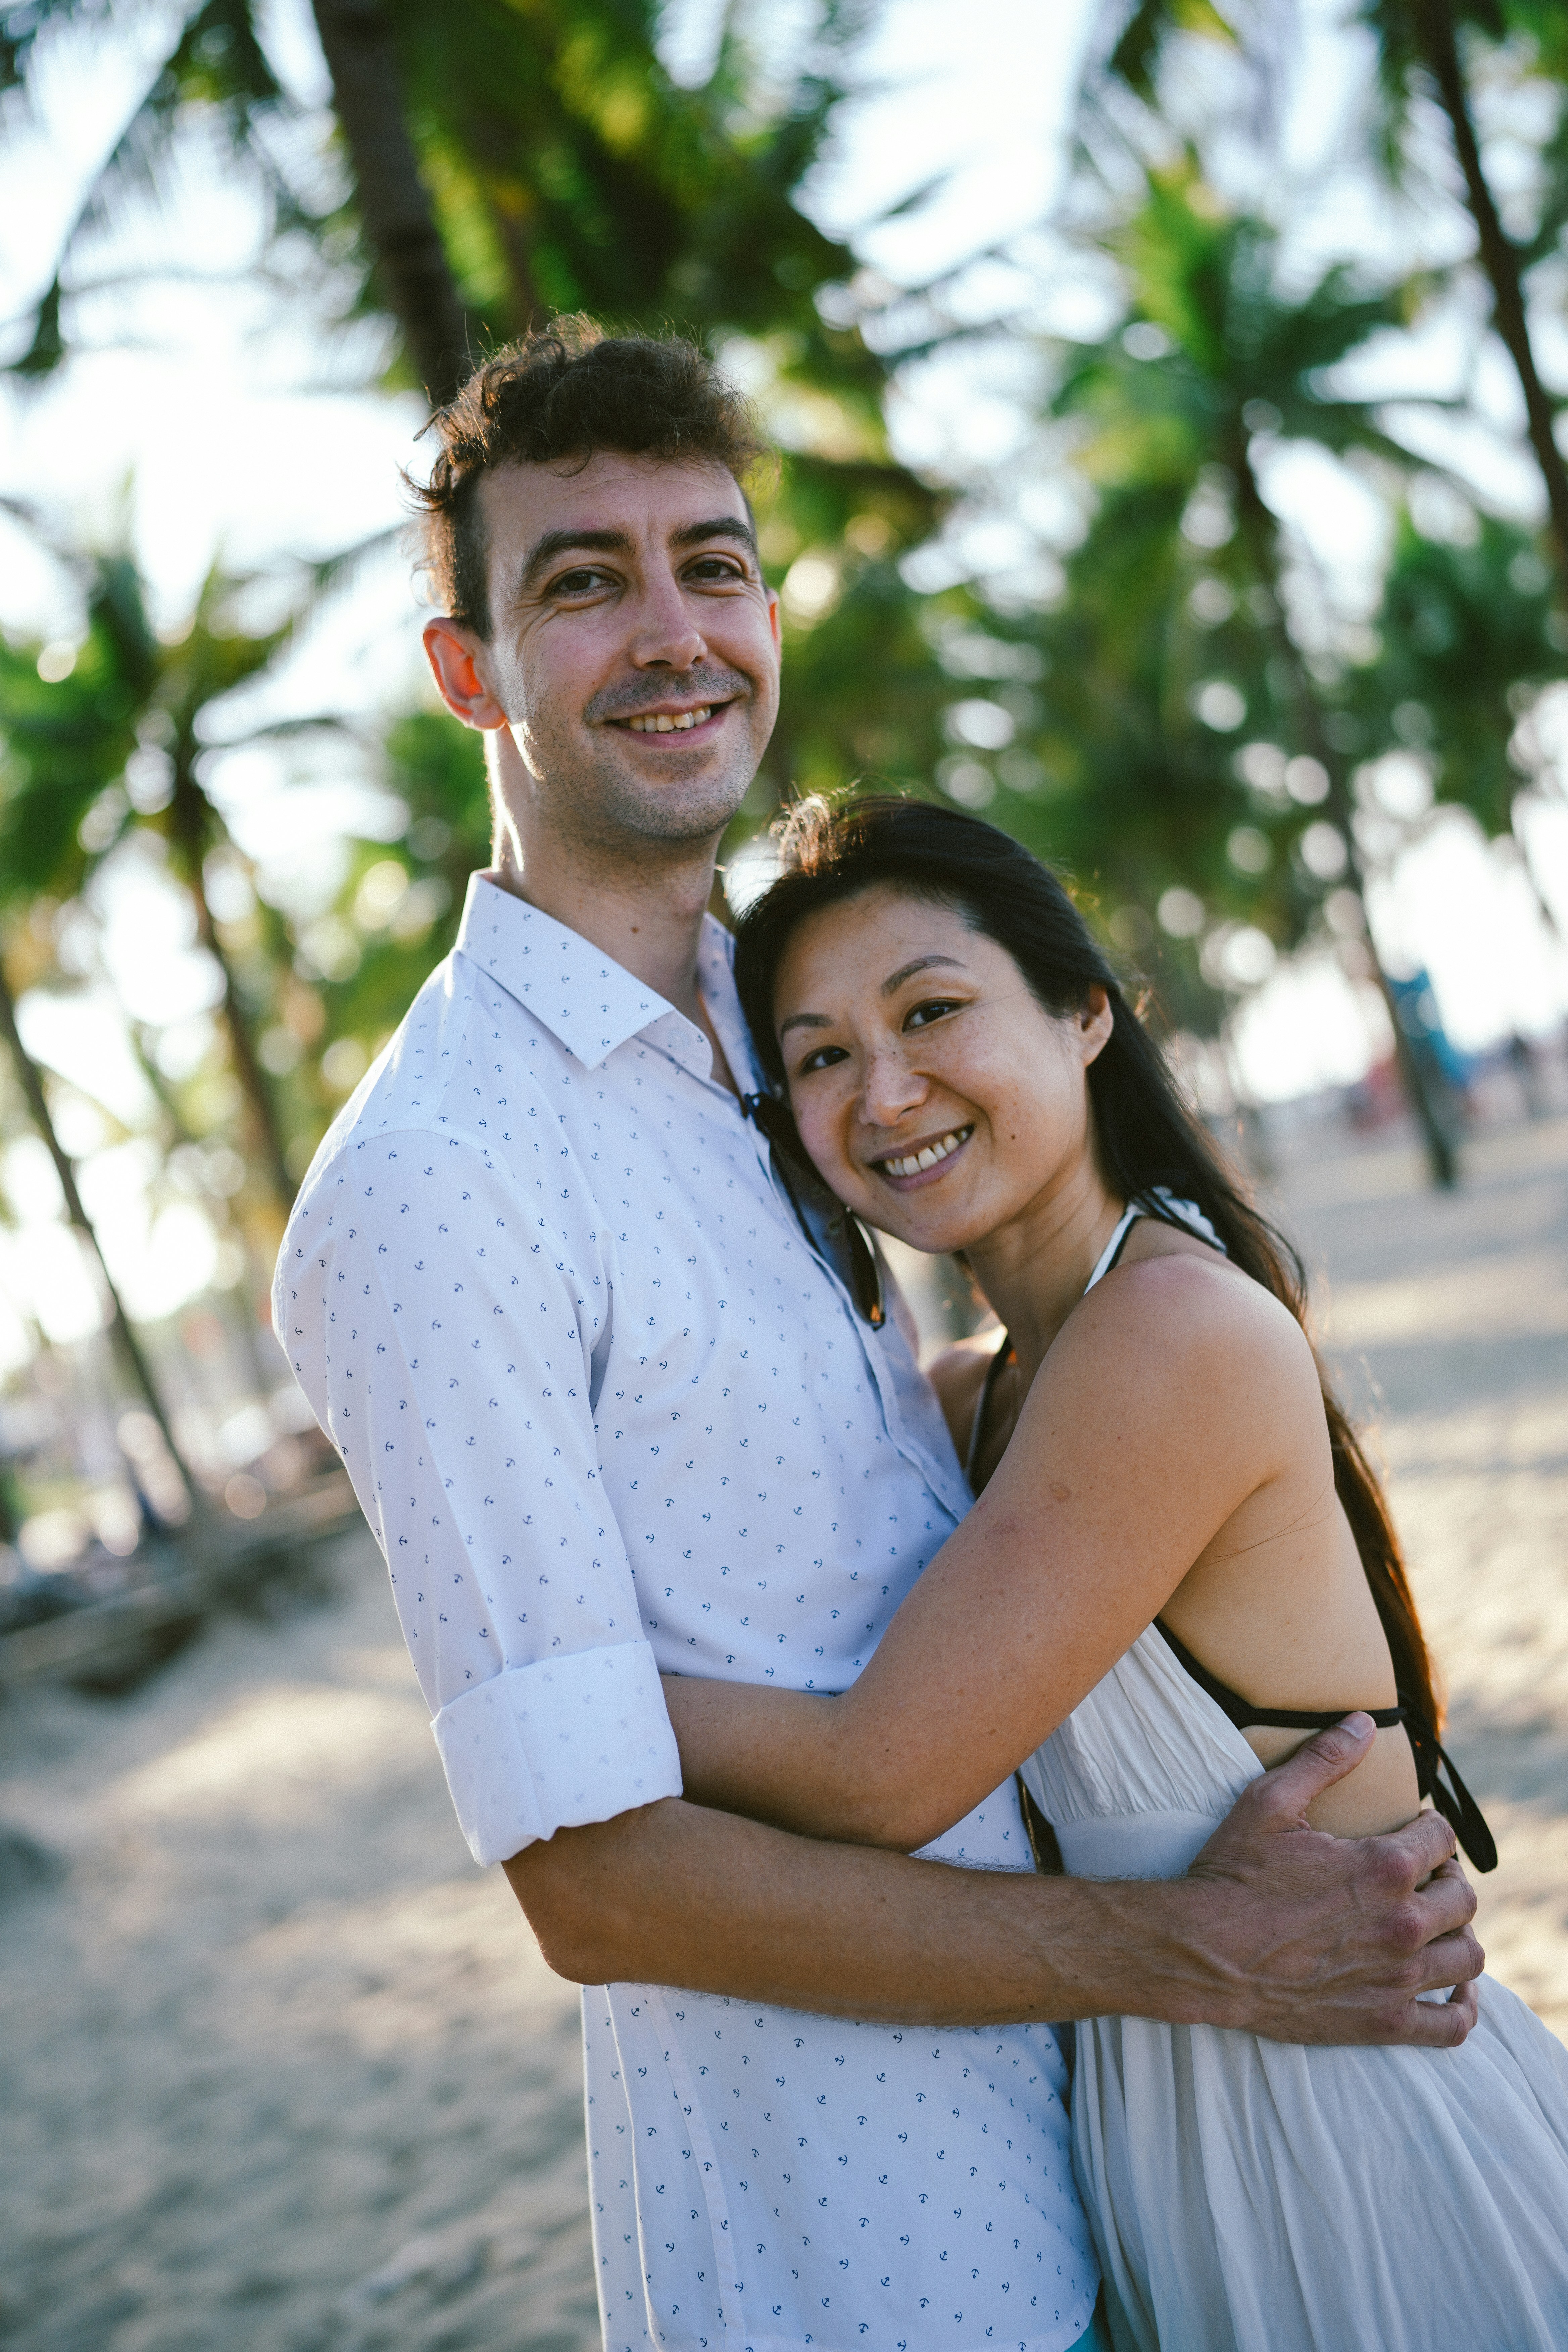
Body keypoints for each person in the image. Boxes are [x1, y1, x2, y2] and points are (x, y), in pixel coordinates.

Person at [275, 319, 1483, 2352]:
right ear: (470, 672)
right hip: (864, 2243)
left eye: (716, 563)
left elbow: (845, 1487)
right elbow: (599, 1888)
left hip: (1124, 2155)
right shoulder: (436, 1179)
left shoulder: (791, 1047)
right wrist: (1193, 1953)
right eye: (586, 580)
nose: (675, 630)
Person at [659, 793, 1568, 2352]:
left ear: (1084, 1014)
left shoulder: (1171, 1332)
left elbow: (875, 1772)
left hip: (1343, 2136)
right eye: (817, 1057)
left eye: (932, 1010)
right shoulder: (973, 1394)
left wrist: (545, 1706)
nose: (886, 1091)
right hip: (1169, 2122)